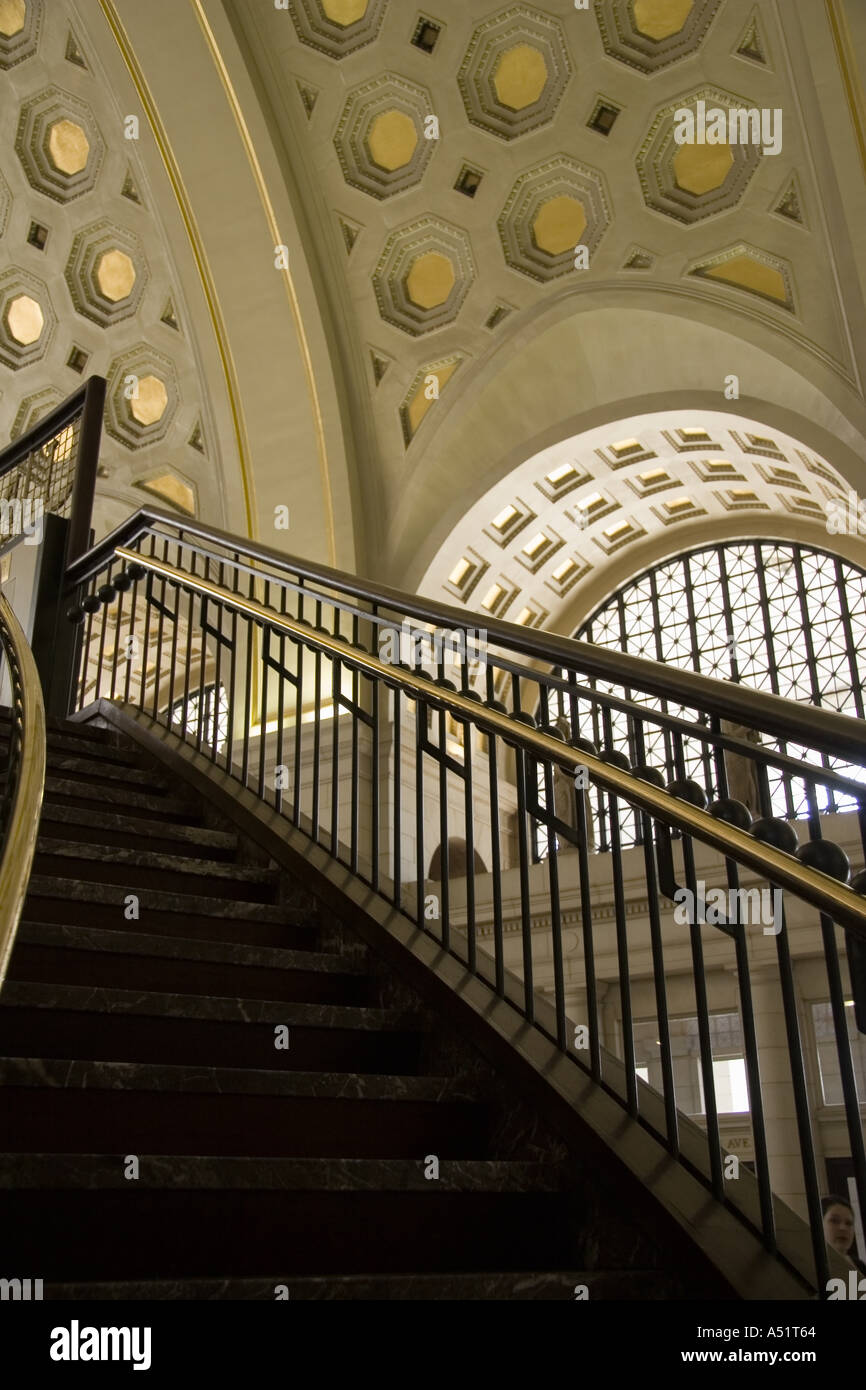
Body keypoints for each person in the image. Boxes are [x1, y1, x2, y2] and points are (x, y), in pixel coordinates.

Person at [822, 1194, 866, 1274]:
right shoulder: (808, 1266)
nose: (843, 1228)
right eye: (834, 1220)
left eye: (848, 1223)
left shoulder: (860, 1266)